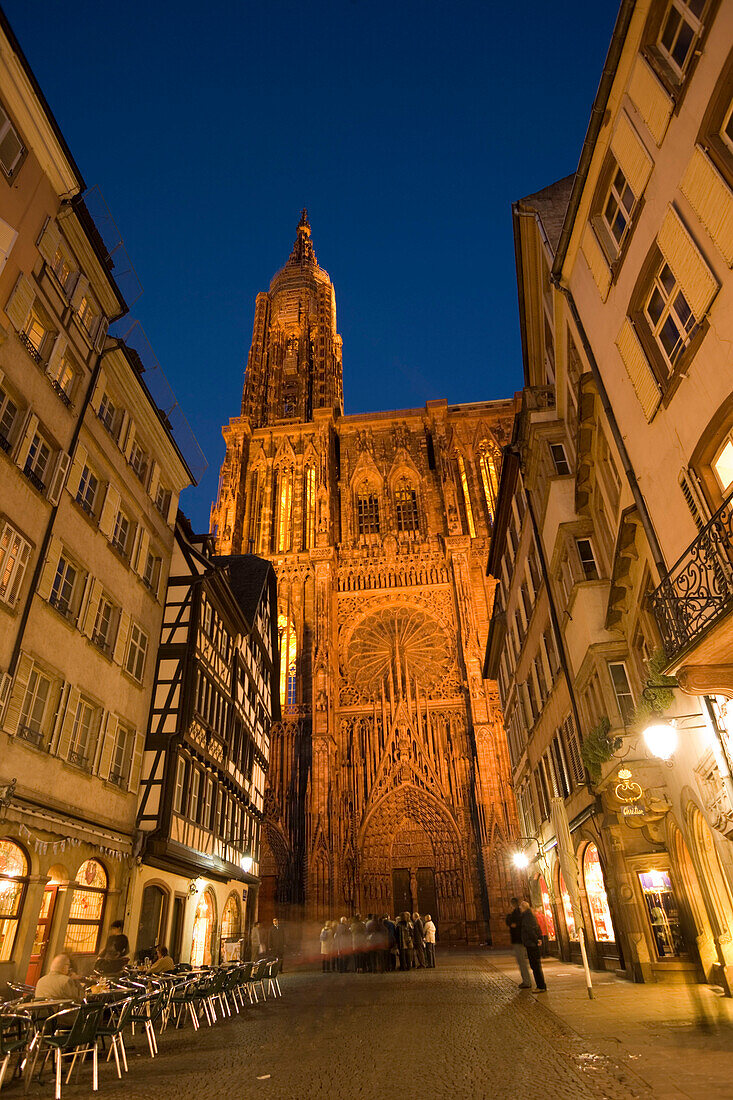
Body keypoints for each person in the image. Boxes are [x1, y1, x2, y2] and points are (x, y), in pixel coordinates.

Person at [519, 899, 547, 992]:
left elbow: (530, 930)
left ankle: (541, 986)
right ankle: (541, 986)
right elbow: (537, 928)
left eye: (520, 907)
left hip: (531, 944)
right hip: (532, 943)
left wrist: (536, 940)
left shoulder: (527, 917)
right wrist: (538, 938)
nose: (519, 908)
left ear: (523, 908)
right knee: (536, 965)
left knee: (535, 966)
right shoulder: (530, 915)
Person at [506, 896, 532, 989]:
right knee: (521, 962)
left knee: (522, 962)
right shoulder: (519, 913)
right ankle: (526, 981)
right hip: (519, 940)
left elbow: (512, 924)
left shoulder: (517, 913)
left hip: (518, 940)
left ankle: (527, 982)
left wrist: (510, 919)